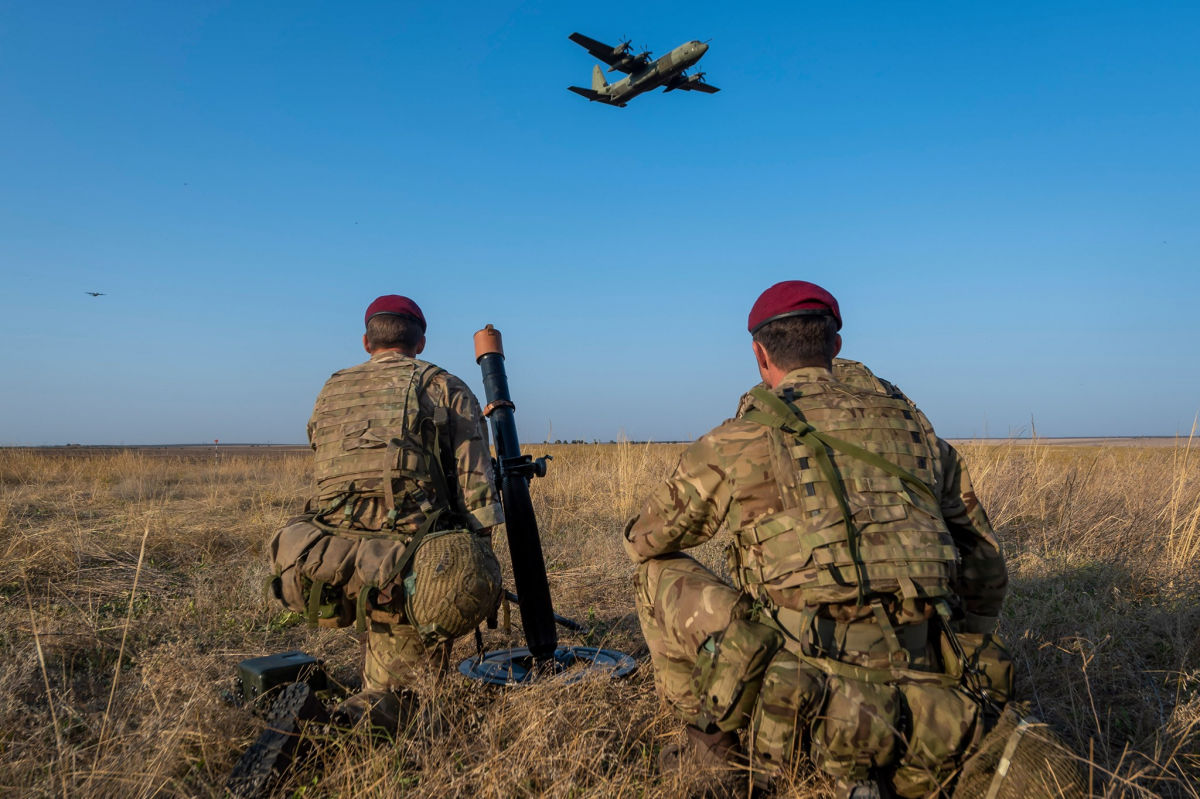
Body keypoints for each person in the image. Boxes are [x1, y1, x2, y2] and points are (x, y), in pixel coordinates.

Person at [624, 281, 1010, 798]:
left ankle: (713, 746)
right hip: (925, 673)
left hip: (798, 674)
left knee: (654, 576)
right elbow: (986, 563)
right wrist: (959, 647)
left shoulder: (737, 438)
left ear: (760, 355)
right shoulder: (919, 432)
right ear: (835, 347)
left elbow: (646, 542)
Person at [272, 294, 503, 730]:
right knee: (402, 698)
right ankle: (355, 728)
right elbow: (477, 489)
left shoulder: (331, 388)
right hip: (405, 562)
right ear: (420, 343)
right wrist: (470, 562)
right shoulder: (443, 387)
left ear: (366, 342)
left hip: (333, 556)